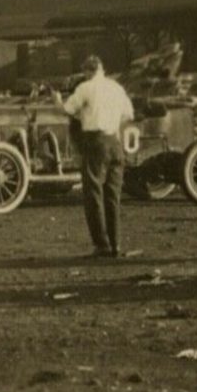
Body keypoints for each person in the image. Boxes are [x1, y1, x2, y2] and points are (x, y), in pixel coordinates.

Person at [62, 54, 134, 257]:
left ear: (87, 72)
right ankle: (116, 243)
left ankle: (101, 245)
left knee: (93, 193)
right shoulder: (116, 88)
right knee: (113, 195)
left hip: (95, 142)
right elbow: (129, 114)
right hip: (115, 142)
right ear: (103, 70)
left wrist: (57, 101)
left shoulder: (85, 88)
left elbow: (68, 109)